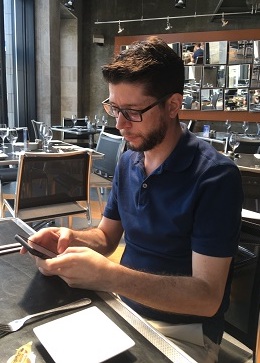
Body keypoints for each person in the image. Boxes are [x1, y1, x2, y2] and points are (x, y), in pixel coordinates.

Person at [22, 36, 243, 362]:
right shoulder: (129, 159)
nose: (120, 124)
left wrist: (108, 276)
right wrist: (70, 238)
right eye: (114, 108)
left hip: (184, 333)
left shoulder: (215, 177)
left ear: (172, 105)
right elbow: (105, 237)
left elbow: (207, 298)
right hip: (120, 309)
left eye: (133, 112)